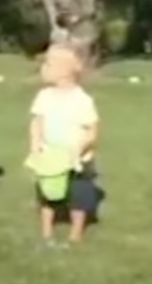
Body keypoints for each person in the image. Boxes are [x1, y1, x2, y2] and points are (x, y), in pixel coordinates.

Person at [28, 44, 101, 244]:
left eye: (48, 64)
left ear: (65, 71)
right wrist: (35, 148)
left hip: (76, 159)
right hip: (50, 155)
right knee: (46, 196)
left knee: (78, 196)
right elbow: (37, 122)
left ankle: (75, 234)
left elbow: (92, 131)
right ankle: (46, 233)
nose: (43, 68)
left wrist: (79, 150)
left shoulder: (82, 100)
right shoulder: (44, 96)